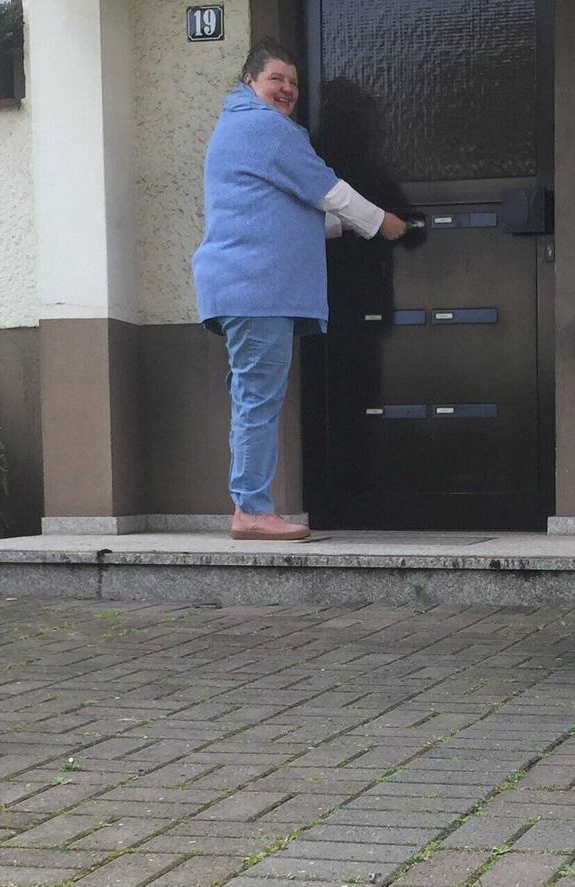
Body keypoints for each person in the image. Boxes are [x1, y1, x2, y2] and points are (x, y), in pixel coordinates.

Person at [191, 39, 406, 542]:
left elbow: (289, 215)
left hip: (246, 288)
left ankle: (252, 506)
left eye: (292, 82)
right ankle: (251, 511)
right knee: (257, 401)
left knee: (254, 397)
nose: (286, 89)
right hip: (256, 289)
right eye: (276, 80)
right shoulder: (266, 128)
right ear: (250, 82)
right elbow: (328, 190)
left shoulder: (240, 127)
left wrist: (344, 227)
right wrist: (382, 223)